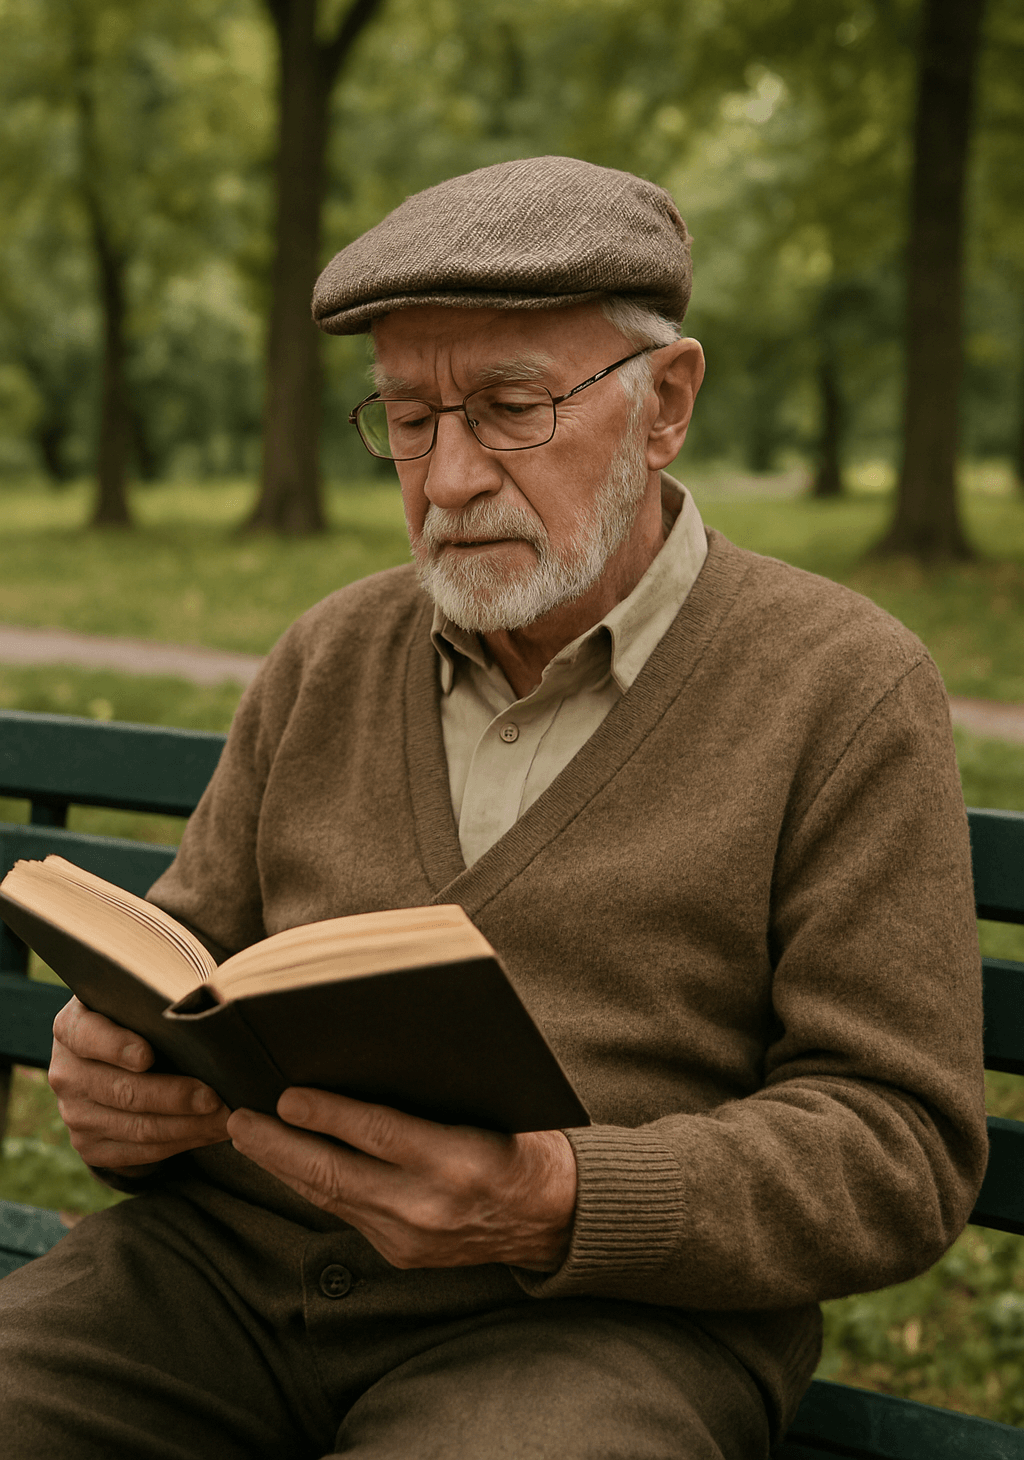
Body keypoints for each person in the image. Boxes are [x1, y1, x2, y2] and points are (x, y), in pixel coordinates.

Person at [0, 157, 987, 1460]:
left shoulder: (843, 691)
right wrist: (120, 1088)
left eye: (510, 406)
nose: (449, 478)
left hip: (597, 1328)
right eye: (410, 420)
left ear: (665, 402)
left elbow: (897, 1146)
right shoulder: (328, 655)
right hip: (217, 1281)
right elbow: (182, 981)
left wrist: (561, 1200)